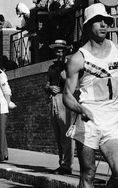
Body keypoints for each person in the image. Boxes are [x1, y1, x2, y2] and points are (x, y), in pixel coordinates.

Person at [63, 3, 118, 188]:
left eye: (106, 21)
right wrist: (80, 109)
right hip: (89, 120)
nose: (103, 25)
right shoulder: (78, 58)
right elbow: (67, 95)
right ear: (87, 26)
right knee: (88, 174)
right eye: (98, 21)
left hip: (113, 119)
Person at [45, 39, 74, 175]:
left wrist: (65, 80)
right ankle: (62, 162)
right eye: (57, 50)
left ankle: (67, 165)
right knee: (58, 134)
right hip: (53, 100)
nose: (59, 53)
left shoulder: (70, 66)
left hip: (65, 99)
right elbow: (46, 84)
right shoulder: (52, 68)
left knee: (65, 134)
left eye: (62, 50)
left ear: (66, 51)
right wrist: (49, 88)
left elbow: (76, 86)